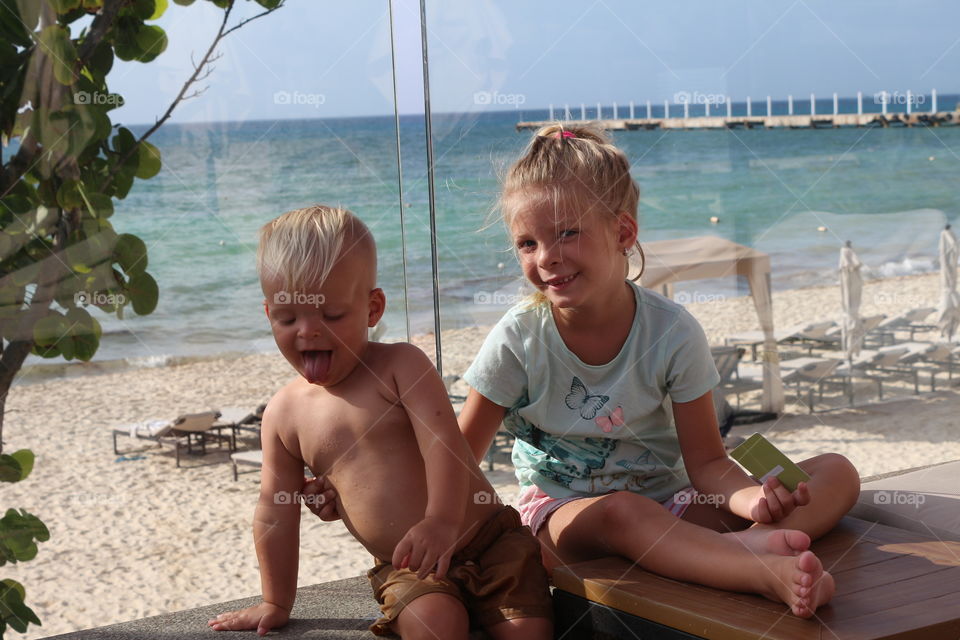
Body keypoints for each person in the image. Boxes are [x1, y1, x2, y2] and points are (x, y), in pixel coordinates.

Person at [456, 123, 860, 618]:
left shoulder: (672, 331)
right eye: (526, 243)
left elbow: (709, 465)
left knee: (837, 472)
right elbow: (455, 458)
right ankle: (758, 567)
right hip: (566, 516)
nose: (547, 258)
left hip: (677, 504)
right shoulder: (519, 337)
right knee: (627, 513)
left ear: (623, 232)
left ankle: (754, 545)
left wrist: (753, 501)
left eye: (567, 233)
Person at [208, 205, 553, 639]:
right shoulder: (282, 414)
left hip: (488, 540)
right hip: (409, 565)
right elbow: (275, 511)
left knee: (527, 629)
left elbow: (444, 444)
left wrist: (441, 522)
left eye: (331, 315)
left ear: (372, 308)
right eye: (287, 317)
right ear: (267, 314)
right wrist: (276, 601)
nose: (307, 331)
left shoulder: (400, 366)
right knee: (435, 625)